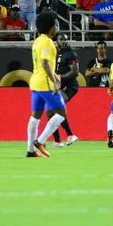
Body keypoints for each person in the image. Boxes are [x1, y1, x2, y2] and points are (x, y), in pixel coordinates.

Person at [26, 12, 66, 158]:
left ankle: (30, 150)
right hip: (45, 83)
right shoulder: (48, 42)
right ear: (50, 28)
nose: (56, 27)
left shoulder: (37, 41)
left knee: (35, 117)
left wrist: (56, 76)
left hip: (35, 82)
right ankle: (41, 141)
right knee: (62, 113)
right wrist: (54, 80)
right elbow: (44, 62)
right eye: (55, 24)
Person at [49, 33, 80, 147]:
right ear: (56, 41)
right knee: (50, 113)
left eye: (65, 40)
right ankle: (58, 141)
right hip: (60, 85)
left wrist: (59, 77)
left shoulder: (71, 54)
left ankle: (70, 135)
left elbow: (74, 71)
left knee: (56, 108)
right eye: (61, 40)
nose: (63, 42)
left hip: (70, 86)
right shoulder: (57, 53)